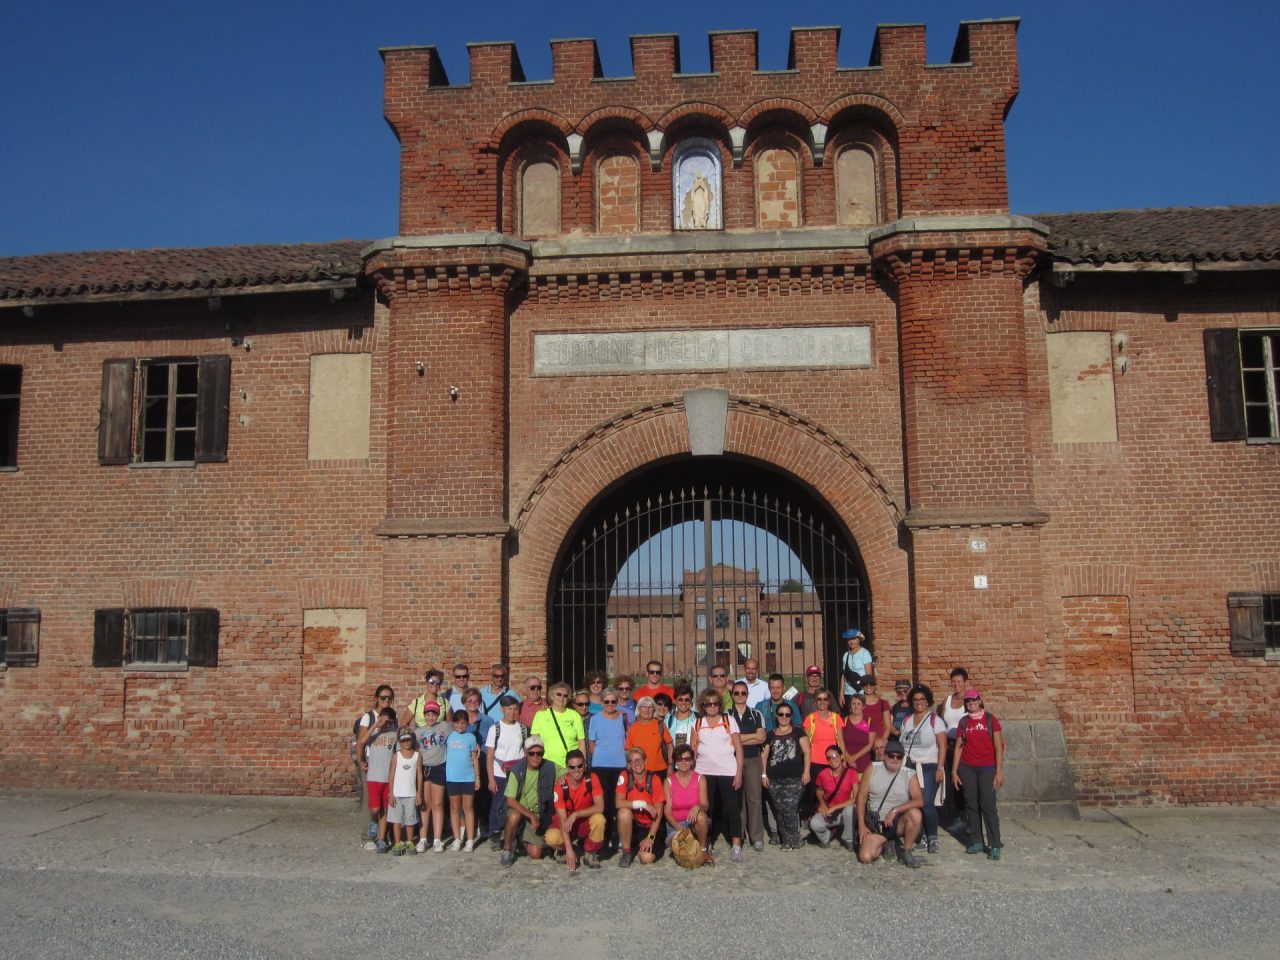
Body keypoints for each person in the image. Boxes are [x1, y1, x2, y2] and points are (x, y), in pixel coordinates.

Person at [951, 688, 1004, 861]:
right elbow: (959, 746)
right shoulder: (964, 722)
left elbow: (998, 746)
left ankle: (995, 844)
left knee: (988, 805)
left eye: (974, 700)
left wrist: (999, 771)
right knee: (971, 805)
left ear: (979, 701)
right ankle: (976, 841)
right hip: (968, 768)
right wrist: (954, 770)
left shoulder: (990, 720)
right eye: (968, 701)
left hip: (987, 767)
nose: (971, 703)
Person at [691, 689, 744, 861]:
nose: (712, 706)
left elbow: (738, 748)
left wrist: (739, 773)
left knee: (731, 809)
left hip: (727, 771)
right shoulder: (697, 723)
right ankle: (707, 841)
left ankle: (736, 845)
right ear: (703, 706)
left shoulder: (729, 720)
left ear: (719, 704)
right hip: (704, 771)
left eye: (715, 703)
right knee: (708, 809)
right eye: (708, 703)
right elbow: (693, 749)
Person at [856, 740, 923, 868]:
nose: (895, 759)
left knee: (916, 814)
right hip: (876, 824)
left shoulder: (909, 774)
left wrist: (895, 810)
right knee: (866, 857)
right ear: (885, 755)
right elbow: (861, 797)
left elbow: (919, 800)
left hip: (897, 822)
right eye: (891, 755)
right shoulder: (872, 768)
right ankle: (885, 842)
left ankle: (907, 852)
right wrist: (861, 825)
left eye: (899, 756)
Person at [899, 683, 947, 855]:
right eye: (916, 699)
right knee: (916, 805)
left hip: (928, 766)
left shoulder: (935, 720)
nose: (919, 702)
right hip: (910, 767)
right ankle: (924, 836)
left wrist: (940, 768)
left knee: (927, 803)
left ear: (927, 701)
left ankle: (933, 837)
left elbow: (943, 745)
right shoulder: (907, 720)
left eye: (922, 699)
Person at [500, 736, 558, 866]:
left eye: (539, 753)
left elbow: (569, 773)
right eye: (532, 753)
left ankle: (520, 838)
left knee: (536, 854)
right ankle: (507, 848)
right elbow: (510, 800)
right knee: (514, 815)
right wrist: (531, 816)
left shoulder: (550, 767)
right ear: (526, 754)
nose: (535, 757)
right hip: (521, 811)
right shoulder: (517, 770)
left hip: (540, 814)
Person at [542, 748, 605, 870]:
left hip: (583, 821)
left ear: (585, 765)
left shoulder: (592, 779)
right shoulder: (560, 786)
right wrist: (569, 851)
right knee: (551, 838)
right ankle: (564, 850)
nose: (576, 770)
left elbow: (600, 806)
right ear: (567, 767)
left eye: (580, 766)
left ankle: (590, 852)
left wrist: (576, 814)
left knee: (599, 819)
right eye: (572, 767)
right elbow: (562, 820)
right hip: (567, 824)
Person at [761, 702, 809, 850]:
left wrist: (806, 771)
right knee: (780, 809)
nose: (784, 717)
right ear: (776, 716)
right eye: (781, 714)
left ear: (791, 716)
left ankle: (794, 838)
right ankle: (786, 840)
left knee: (790, 807)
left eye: (787, 715)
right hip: (774, 777)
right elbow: (764, 756)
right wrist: (763, 774)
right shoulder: (770, 734)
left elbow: (807, 752)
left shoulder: (798, 732)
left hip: (794, 777)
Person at [586, 687, 628, 844]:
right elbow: (592, 743)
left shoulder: (623, 717)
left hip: (620, 765)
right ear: (602, 702)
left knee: (617, 801)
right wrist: (601, 756)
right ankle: (604, 835)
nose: (610, 704)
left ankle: (617, 833)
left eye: (613, 701)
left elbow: (626, 741)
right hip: (601, 765)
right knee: (602, 801)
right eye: (607, 701)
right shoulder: (595, 718)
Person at [728, 680, 766, 851]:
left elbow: (762, 738)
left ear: (747, 695)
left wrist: (739, 737)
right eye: (736, 693)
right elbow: (728, 738)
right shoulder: (727, 715)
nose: (740, 696)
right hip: (733, 760)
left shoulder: (756, 714)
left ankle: (757, 836)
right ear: (732, 695)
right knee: (738, 799)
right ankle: (739, 834)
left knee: (755, 797)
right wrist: (750, 737)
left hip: (752, 758)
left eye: (743, 693)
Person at [355, 702, 399, 852]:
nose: (386, 724)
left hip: (388, 779)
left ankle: (381, 839)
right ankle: (373, 821)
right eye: (383, 721)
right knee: (375, 808)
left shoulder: (394, 734)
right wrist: (376, 726)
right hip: (374, 777)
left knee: (385, 811)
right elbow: (361, 741)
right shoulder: (374, 734)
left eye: (389, 722)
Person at [484, 695, 527, 843]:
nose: (512, 712)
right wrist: (490, 779)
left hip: (516, 773)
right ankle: (495, 832)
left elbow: (524, 751)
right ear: (502, 709)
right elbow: (489, 756)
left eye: (515, 709)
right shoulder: (495, 729)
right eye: (509, 709)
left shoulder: (522, 728)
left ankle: (515, 833)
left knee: (516, 803)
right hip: (499, 773)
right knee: (498, 804)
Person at [615, 747, 665, 866]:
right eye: (632, 761)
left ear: (645, 761)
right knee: (623, 813)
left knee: (646, 858)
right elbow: (618, 803)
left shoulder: (654, 779)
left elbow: (659, 811)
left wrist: (651, 837)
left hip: (651, 826)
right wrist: (643, 804)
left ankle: (642, 845)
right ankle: (627, 851)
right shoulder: (625, 776)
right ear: (629, 764)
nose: (637, 763)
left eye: (639, 760)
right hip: (634, 824)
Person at [664, 743, 712, 864]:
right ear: (676, 762)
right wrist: (677, 827)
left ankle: (702, 849)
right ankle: (690, 845)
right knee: (683, 857)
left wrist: (697, 807)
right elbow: (667, 811)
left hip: (693, 821)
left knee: (701, 816)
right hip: (676, 823)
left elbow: (705, 805)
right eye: (680, 759)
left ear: (692, 761)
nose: (683, 762)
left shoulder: (700, 779)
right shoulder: (669, 781)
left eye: (687, 759)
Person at [414, 700, 451, 852]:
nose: (431, 717)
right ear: (424, 715)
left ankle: (437, 839)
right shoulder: (418, 731)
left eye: (433, 714)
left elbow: (461, 727)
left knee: (438, 804)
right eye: (428, 714)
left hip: (439, 767)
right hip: (423, 768)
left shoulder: (445, 727)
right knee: (425, 804)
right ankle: (423, 838)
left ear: (438, 715)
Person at [938, 667, 970, 831]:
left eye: (959, 682)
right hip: (949, 746)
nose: (956, 685)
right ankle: (960, 816)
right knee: (954, 781)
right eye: (954, 682)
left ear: (965, 683)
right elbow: (940, 721)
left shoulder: (970, 700)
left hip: (966, 747)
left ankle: (970, 817)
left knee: (967, 782)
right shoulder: (947, 701)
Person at [809, 746, 859, 850]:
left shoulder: (851, 773)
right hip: (829, 812)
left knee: (850, 810)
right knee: (814, 823)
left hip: (845, 811)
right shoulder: (823, 774)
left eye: (835, 756)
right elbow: (818, 790)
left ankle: (848, 839)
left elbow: (856, 797)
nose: (832, 760)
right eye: (829, 758)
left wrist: (835, 807)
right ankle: (826, 838)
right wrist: (822, 803)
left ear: (841, 757)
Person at [444, 707, 480, 851]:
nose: (460, 726)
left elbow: (474, 758)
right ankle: (457, 838)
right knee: (454, 808)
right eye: (458, 723)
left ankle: (470, 840)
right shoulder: (449, 736)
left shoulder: (471, 737)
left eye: (463, 723)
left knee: (468, 808)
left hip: (468, 777)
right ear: (453, 723)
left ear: (467, 724)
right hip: (452, 777)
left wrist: (477, 777)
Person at [530, 682, 586, 770]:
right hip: (547, 764)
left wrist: (583, 764)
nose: (562, 697)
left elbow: (581, 743)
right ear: (552, 696)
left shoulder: (575, 715)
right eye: (559, 694)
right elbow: (535, 742)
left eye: (565, 695)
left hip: (570, 765)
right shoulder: (540, 715)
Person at [387, 728, 422, 855]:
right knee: (397, 820)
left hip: (411, 793)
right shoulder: (396, 756)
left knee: (410, 820)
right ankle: (397, 842)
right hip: (397, 793)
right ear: (399, 742)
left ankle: (410, 841)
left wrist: (419, 793)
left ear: (412, 740)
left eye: (408, 740)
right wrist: (391, 793)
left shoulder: (417, 755)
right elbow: (391, 775)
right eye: (403, 741)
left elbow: (419, 774)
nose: (406, 743)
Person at [625, 696, 672, 779]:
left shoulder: (660, 725)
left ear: (654, 710)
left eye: (650, 707)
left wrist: (670, 765)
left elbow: (670, 746)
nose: (647, 710)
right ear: (639, 709)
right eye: (644, 707)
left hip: (660, 770)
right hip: (639, 771)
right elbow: (629, 751)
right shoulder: (633, 728)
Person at [840, 692, 876, 776]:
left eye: (859, 704)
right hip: (845, 765)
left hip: (864, 766)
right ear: (850, 706)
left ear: (863, 706)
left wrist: (853, 758)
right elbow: (839, 742)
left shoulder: (870, 722)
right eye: (853, 704)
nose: (856, 707)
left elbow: (870, 745)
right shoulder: (843, 721)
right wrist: (848, 758)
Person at [838, 628, 873, 709]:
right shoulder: (846, 655)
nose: (851, 641)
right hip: (848, 693)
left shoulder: (865, 653)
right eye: (849, 639)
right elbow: (844, 676)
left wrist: (868, 694)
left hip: (861, 692)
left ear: (859, 639)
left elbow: (869, 676)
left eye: (854, 639)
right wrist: (841, 693)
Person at [666, 685, 698, 753]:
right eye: (680, 700)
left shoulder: (697, 718)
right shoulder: (667, 720)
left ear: (691, 701)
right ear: (675, 701)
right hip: (674, 761)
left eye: (687, 700)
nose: (683, 703)